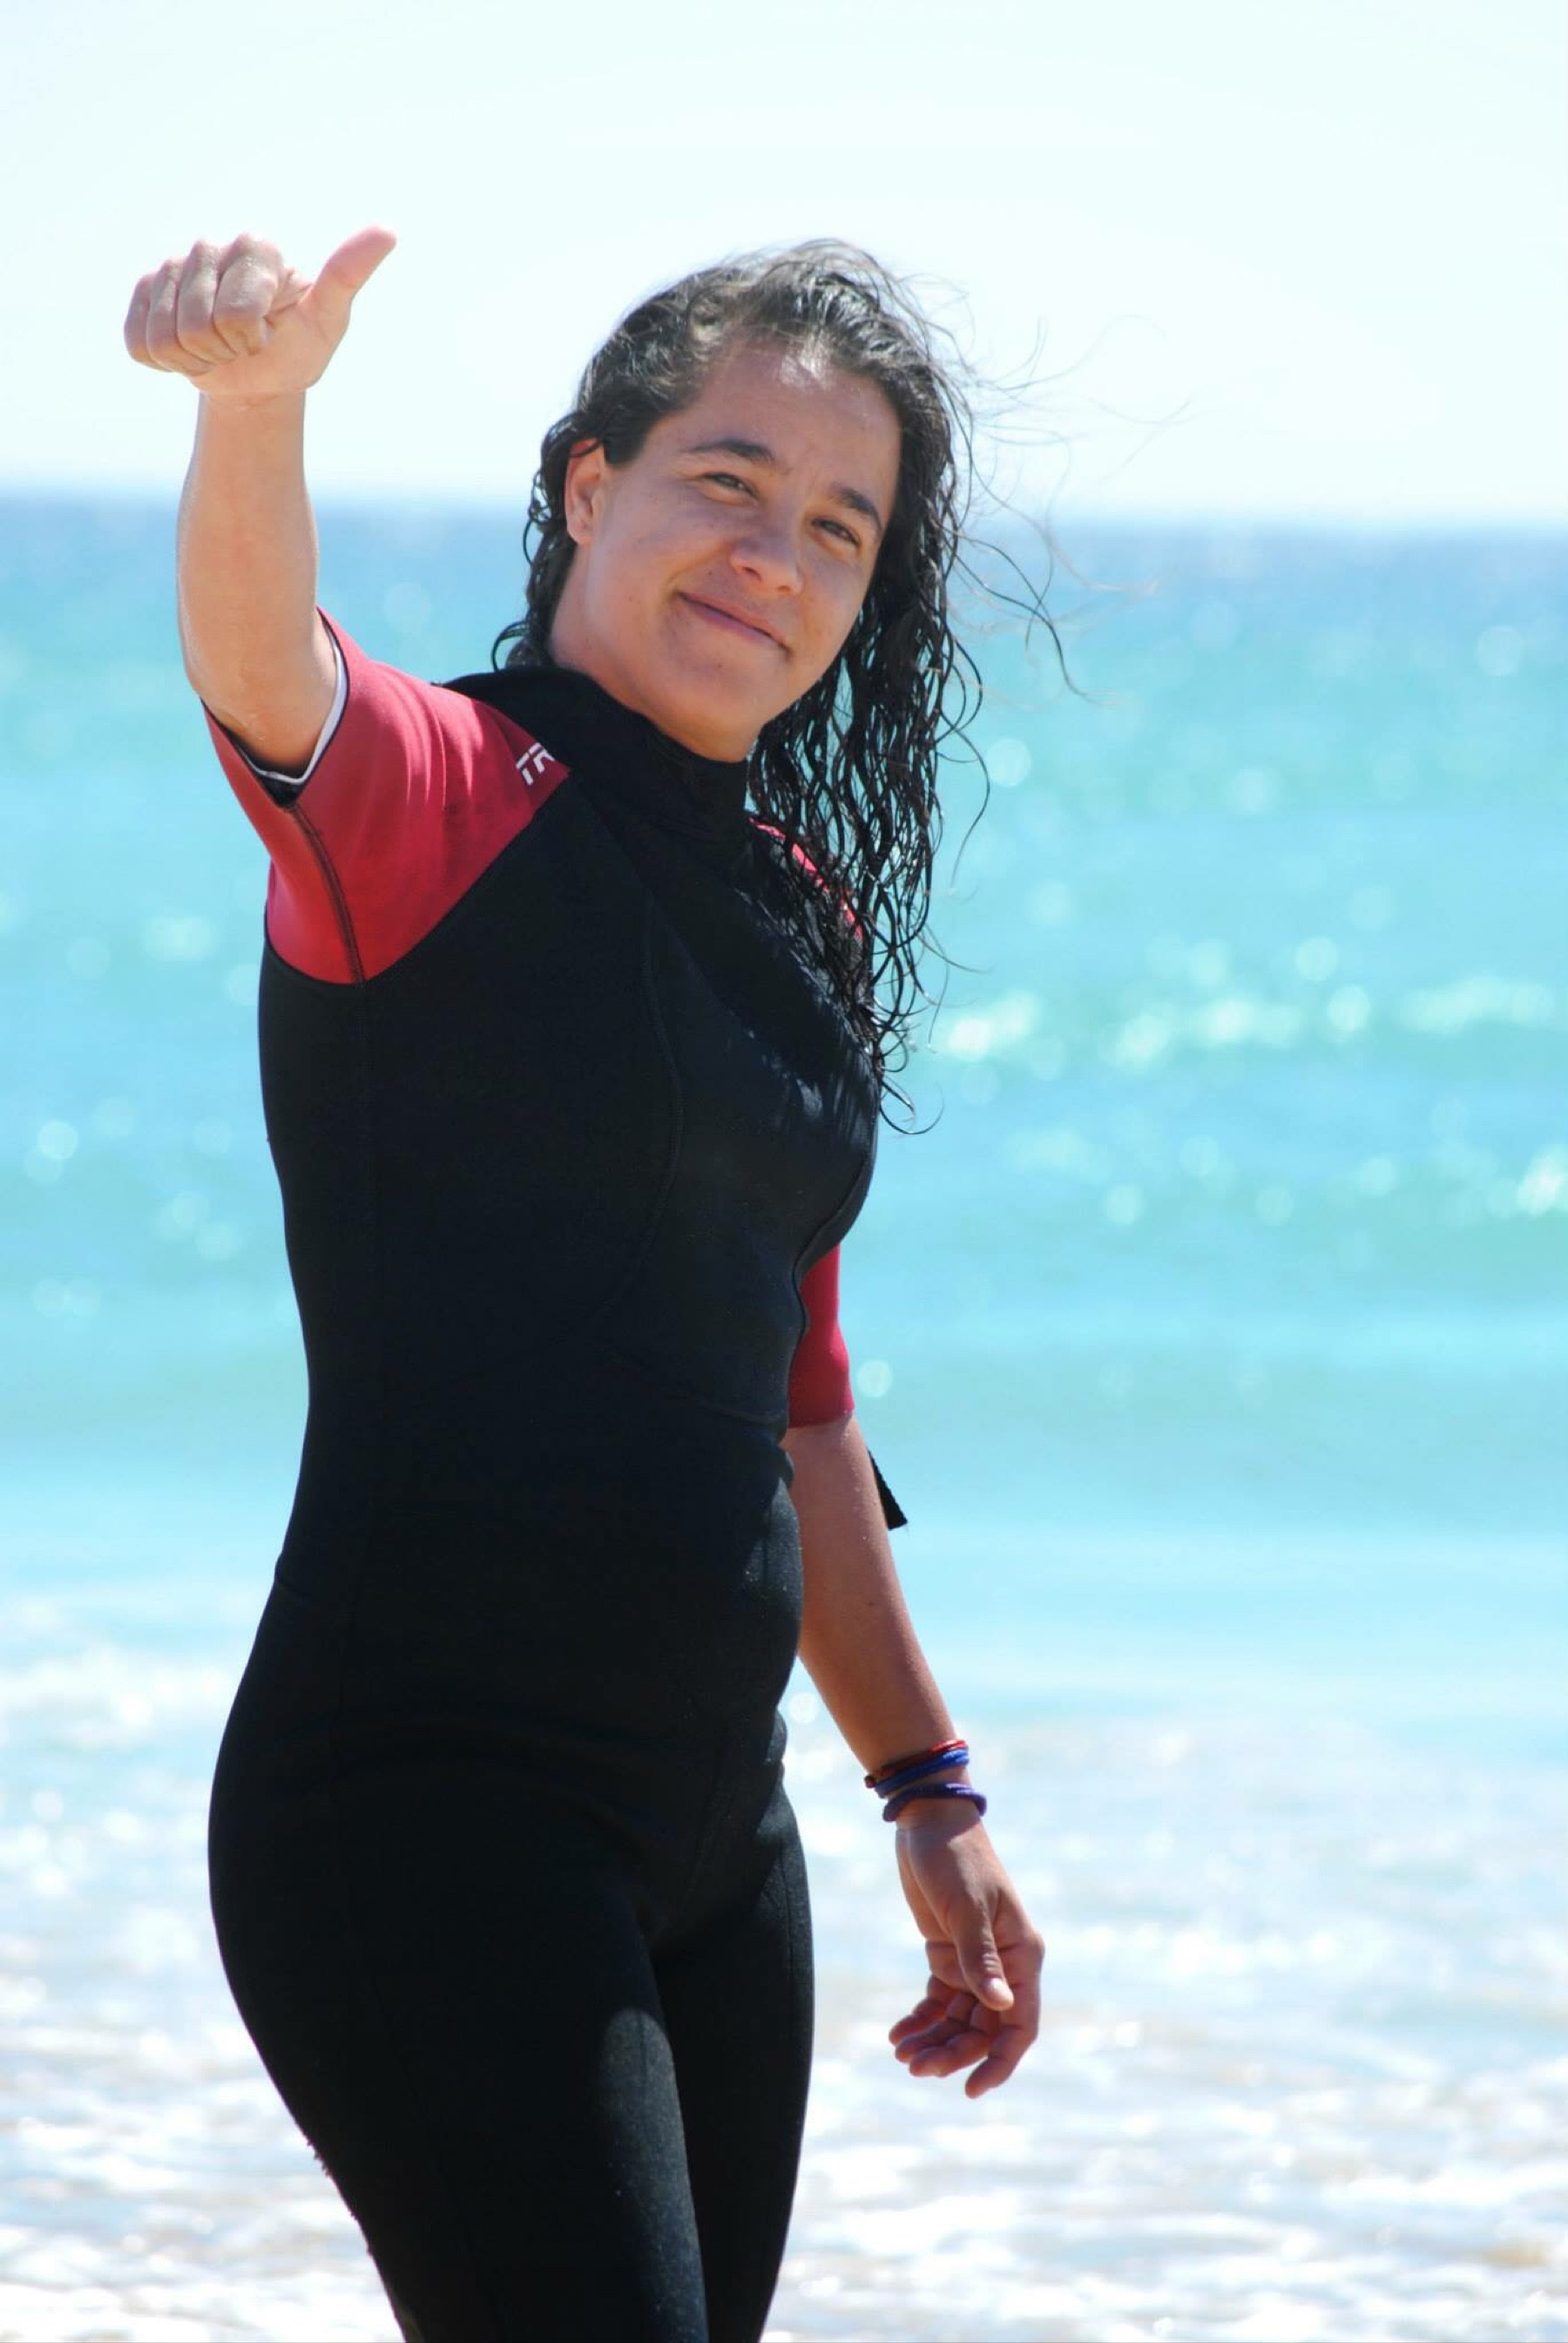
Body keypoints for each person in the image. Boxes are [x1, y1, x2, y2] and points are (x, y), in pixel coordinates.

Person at [124, 226, 1047, 2343]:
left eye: (837, 527)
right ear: (587, 486)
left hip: (720, 1855)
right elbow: (269, 678)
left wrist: (927, 1786)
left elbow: (798, 1401)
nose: (773, 556)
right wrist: (256, 418)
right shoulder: (446, 801)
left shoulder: (797, 913)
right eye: (727, 479)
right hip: (427, 1812)